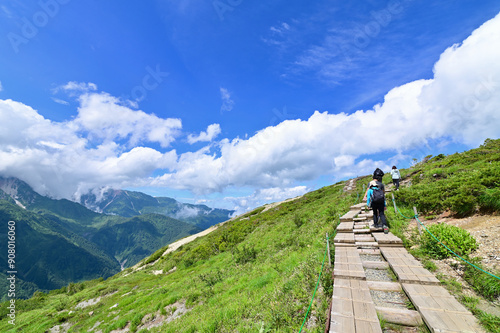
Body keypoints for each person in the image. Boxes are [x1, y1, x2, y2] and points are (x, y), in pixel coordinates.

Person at [364, 168, 388, 233]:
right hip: (381, 202)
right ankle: (385, 226)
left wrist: (368, 204)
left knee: (375, 213)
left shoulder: (370, 188)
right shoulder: (381, 185)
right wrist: (384, 205)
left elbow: (368, 197)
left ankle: (376, 224)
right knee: (382, 214)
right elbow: (383, 195)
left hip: (374, 202)